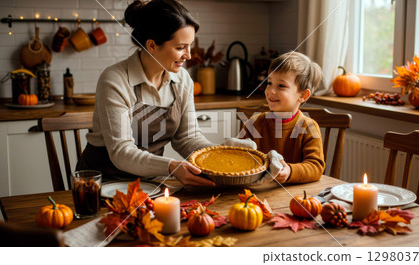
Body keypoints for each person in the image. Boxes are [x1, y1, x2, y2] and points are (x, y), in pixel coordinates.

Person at [76, 0, 215, 186]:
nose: (189, 55)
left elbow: (187, 138)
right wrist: (171, 167)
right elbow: (121, 152)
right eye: (181, 47)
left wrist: (223, 155)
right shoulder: (115, 79)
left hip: (151, 183)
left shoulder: (182, 80)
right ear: (151, 46)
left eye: (190, 46)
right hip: (101, 184)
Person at [239, 51, 326, 183]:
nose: (271, 91)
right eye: (269, 83)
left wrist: (290, 171)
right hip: (257, 192)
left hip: (294, 196)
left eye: (281, 86)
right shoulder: (254, 122)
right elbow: (239, 156)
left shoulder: (308, 126)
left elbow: (316, 167)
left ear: (303, 95)